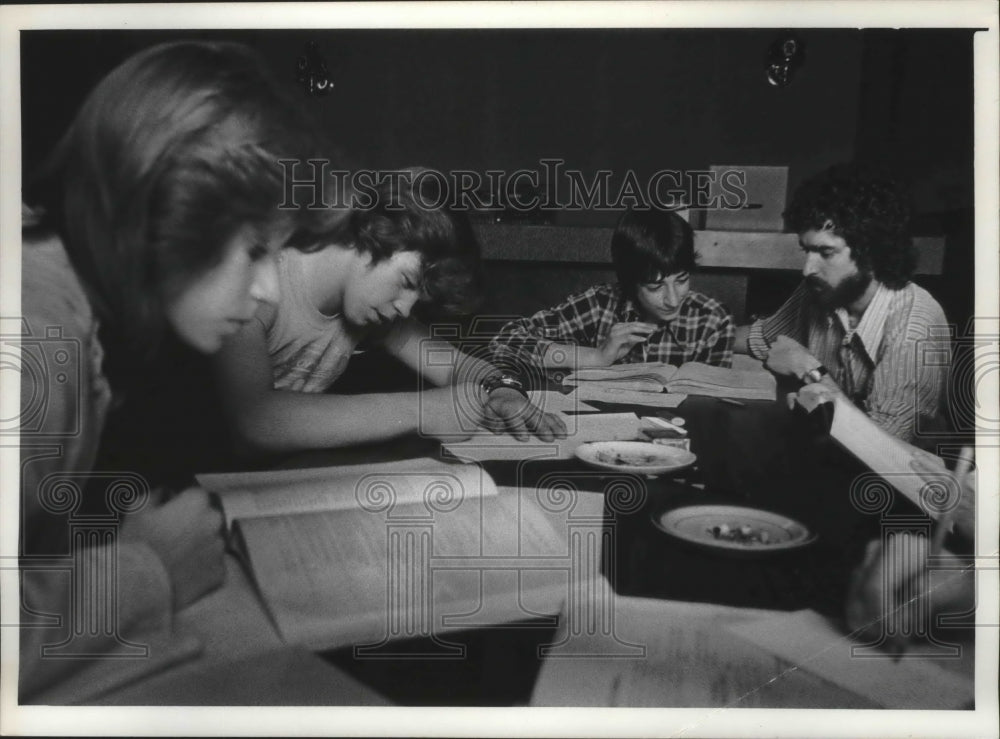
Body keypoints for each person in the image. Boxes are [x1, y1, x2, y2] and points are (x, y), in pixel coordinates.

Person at [18, 41, 338, 702]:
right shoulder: (33, 336)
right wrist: (148, 569)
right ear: (166, 209)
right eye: (254, 249)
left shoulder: (66, 309)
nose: (269, 291)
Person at [213, 174, 567, 454]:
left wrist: (504, 392)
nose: (406, 307)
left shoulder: (371, 310)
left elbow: (458, 366)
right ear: (375, 233)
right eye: (408, 281)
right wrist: (421, 412)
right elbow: (254, 421)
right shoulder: (258, 281)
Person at [734, 163, 951, 444]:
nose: (808, 268)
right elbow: (760, 339)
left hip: (891, 482)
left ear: (870, 251)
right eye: (807, 250)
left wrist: (809, 370)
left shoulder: (915, 325)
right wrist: (684, 329)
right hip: (829, 459)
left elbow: (883, 450)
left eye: (825, 252)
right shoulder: (821, 289)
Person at [489, 208, 735, 372]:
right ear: (630, 283)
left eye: (681, 280)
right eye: (655, 286)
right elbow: (506, 341)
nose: (673, 299)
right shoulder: (600, 304)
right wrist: (596, 357)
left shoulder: (712, 320)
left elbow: (715, 410)